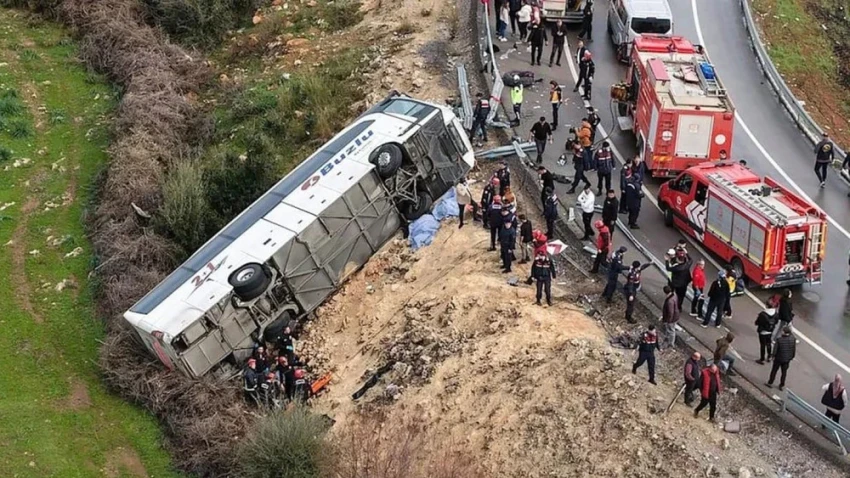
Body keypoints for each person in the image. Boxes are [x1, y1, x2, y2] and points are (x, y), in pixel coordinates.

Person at [766, 326, 796, 391]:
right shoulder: (793, 339)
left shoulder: (779, 340)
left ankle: (770, 382)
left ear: (784, 332)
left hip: (779, 358)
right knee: (784, 372)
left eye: (782, 331)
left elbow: (775, 350)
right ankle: (781, 385)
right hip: (787, 359)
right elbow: (793, 349)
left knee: (774, 370)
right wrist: (792, 357)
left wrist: (772, 356)